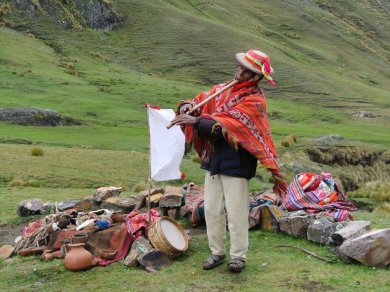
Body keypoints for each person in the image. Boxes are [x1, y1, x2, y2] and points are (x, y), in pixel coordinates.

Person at [170, 49, 287, 273]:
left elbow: (227, 125)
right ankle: (217, 253)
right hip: (214, 160)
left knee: (236, 212)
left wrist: (195, 121)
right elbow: (200, 101)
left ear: (256, 77)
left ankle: (238, 256)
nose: (240, 72)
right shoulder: (222, 90)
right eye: (240, 67)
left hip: (238, 163)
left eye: (247, 71)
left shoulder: (255, 100)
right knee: (212, 210)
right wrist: (187, 107)